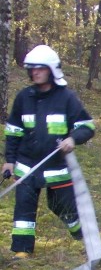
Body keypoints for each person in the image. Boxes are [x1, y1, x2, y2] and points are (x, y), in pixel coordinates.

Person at [2, 44, 95, 258]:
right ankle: (22, 250)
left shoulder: (66, 98)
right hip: (26, 166)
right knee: (23, 209)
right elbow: (14, 131)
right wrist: (10, 160)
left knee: (64, 207)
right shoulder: (23, 97)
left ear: (52, 70)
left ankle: (83, 236)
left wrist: (73, 138)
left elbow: (87, 126)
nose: (35, 72)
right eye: (32, 69)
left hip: (56, 167)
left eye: (40, 68)